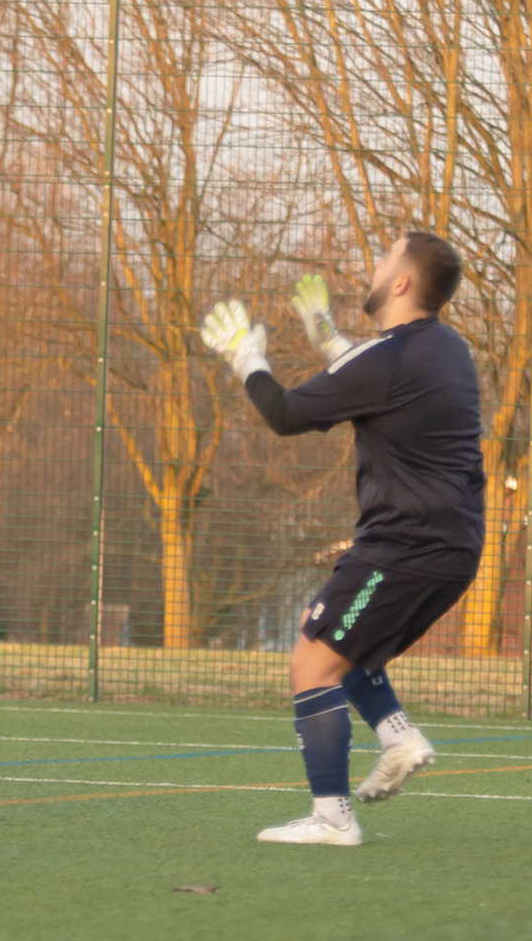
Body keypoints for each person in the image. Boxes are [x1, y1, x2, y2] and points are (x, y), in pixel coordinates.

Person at [198, 232, 483, 846]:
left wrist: (247, 357)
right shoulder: (448, 350)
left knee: (311, 661)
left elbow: (285, 414)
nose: (376, 266)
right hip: (452, 547)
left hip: (405, 545)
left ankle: (332, 819)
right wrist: (326, 335)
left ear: (402, 282)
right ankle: (397, 735)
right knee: (338, 640)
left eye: (386, 258)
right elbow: (379, 381)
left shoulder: (388, 358)